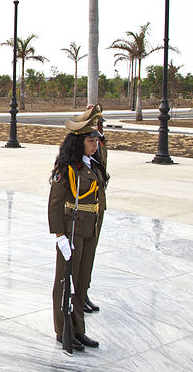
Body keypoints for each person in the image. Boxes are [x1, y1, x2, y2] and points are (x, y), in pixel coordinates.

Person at [48, 108, 107, 351]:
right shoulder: (67, 168)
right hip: (71, 229)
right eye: (91, 141)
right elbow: (54, 203)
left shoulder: (93, 165)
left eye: (96, 140)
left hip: (89, 229)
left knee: (81, 282)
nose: (95, 145)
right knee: (65, 281)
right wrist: (60, 235)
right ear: (78, 141)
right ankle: (63, 330)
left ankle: (78, 329)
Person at [83, 104, 107, 314]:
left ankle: (84, 291)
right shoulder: (81, 146)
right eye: (97, 125)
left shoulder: (100, 145)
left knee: (90, 253)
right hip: (82, 211)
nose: (100, 130)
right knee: (80, 257)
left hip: (97, 206)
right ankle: (78, 294)